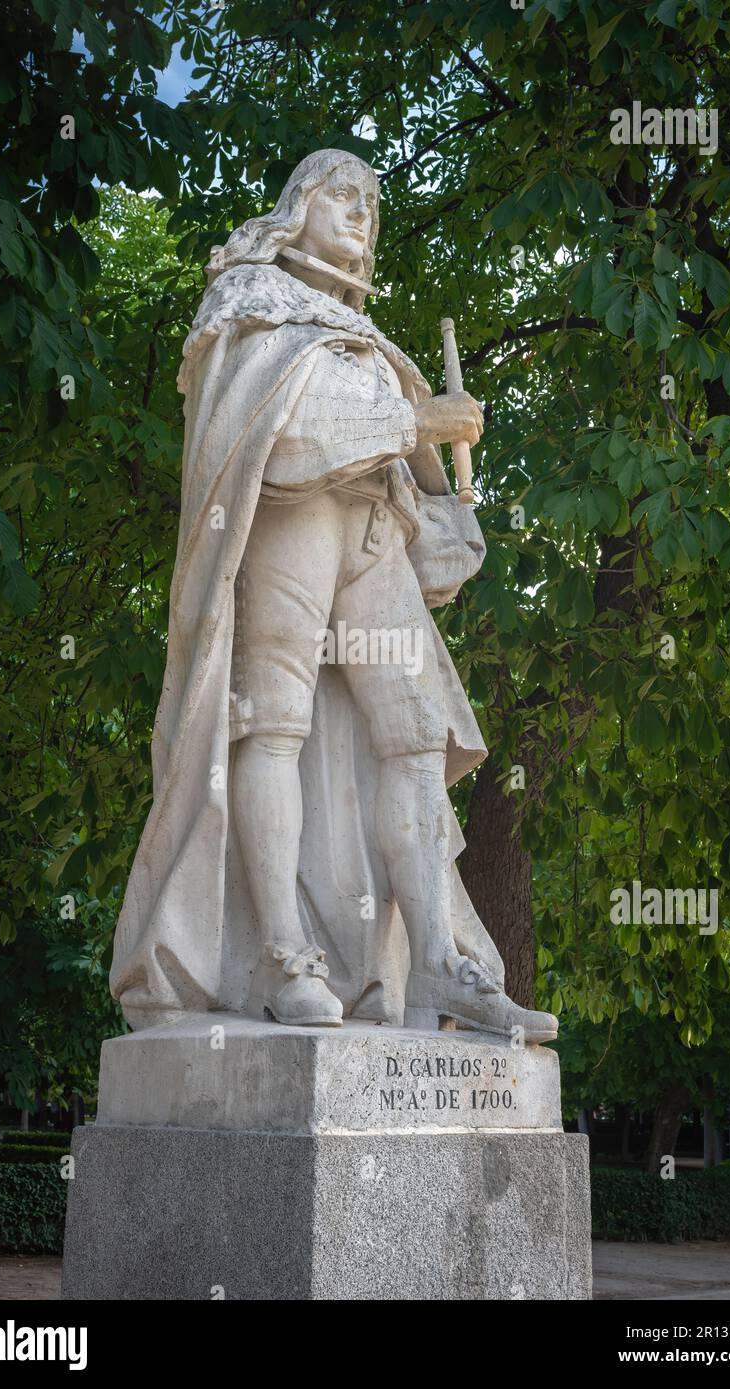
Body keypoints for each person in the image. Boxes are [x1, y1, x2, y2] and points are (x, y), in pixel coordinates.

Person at [110, 148, 556, 1046]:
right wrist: (415, 421)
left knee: (414, 734)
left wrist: (440, 482)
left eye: (372, 204)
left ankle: (434, 956)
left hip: (368, 533)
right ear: (297, 207)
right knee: (273, 723)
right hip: (288, 518)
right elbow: (270, 441)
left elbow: (414, 479)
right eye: (342, 196)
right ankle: (282, 952)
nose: (360, 215)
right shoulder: (248, 298)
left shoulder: (364, 335)